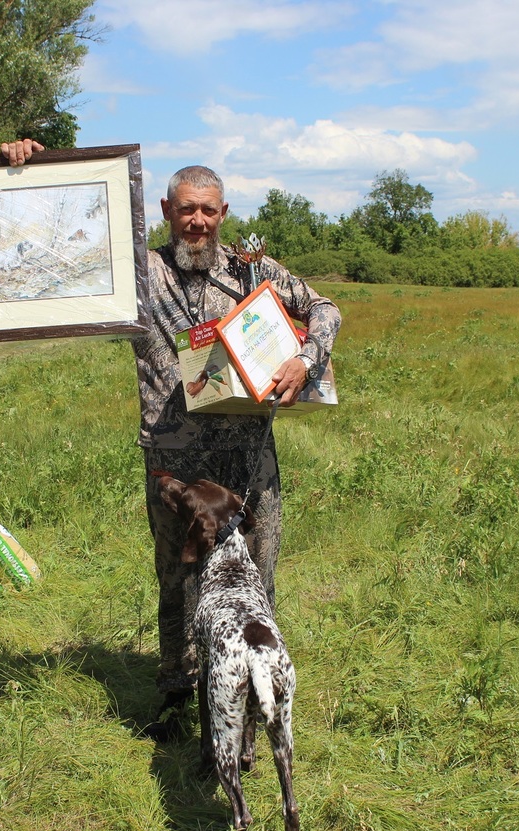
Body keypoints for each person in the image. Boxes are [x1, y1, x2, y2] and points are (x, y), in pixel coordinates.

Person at [135, 166, 340, 737]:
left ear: (223, 213)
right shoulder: (138, 276)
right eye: (185, 210)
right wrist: (29, 163)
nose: (197, 221)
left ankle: (254, 700)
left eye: (208, 210)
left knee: (256, 580)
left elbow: (326, 308)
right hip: (175, 462)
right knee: (177, 582)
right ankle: (177, 697)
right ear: (165, 210)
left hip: (249, 460)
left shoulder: (255, 274)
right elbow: (68, 261)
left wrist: (306, 359)